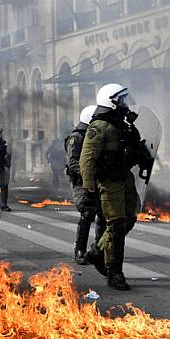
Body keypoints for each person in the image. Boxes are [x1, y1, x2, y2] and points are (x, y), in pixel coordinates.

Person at [79, 83, 151, 291]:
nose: (126, 103)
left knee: (129, 219)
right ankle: (114, 272)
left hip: (124, 178)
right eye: (121, 99)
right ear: (111, 101)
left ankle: (96, 252)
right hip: (109, 182)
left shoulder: (123, 124)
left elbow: (134, 147)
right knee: (117, 225)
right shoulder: (99, 126)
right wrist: (88, 186)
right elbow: (87, 159)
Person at [65, 105, 107, 265]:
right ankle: (79, 250)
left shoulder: (94, 135)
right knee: (87, 214)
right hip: (81, 182)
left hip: (97, 180)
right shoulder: (76, 138)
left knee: (102, 215)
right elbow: (73, 163)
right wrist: (89, 173)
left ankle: (98, 250)